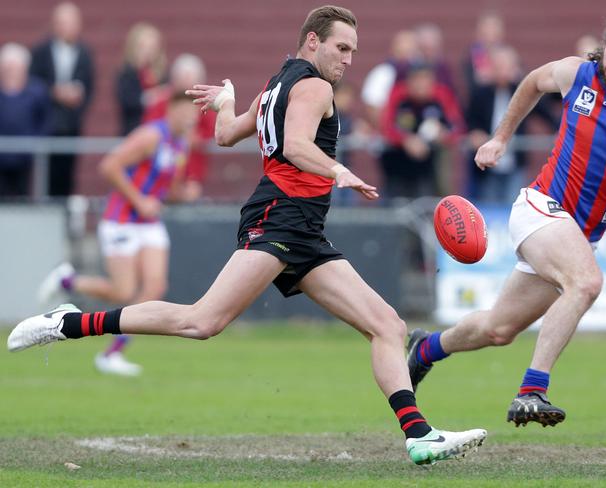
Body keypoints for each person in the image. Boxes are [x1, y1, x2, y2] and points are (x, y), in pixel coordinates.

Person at [8, 6, 486, 465]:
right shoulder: (315, 88)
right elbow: (298, 146)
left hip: (302, 228)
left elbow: (225, 135)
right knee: (201, 321)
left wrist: (226, 102)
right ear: (312, 41)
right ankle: (68, 324)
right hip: (280, 217)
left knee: (388, 325)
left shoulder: (275, 85)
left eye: (353, 51)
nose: (348, 59)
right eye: (341, 47)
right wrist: (339, 170)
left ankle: (419, 436)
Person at [407, 12, 606, 428]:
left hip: (579, 233)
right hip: (542, 207)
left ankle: (424, 349)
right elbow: (533, 81)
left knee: (498, 329)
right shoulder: (577, 73)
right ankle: (531, 391)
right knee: (586, 283)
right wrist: (500, 137)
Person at [37, 92, 199, 376]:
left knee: (154, 287)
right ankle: (67, 280)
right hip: (122, 219)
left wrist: (184, 194)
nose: (191, 117)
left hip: (149, 223)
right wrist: (139, 201)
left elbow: (168, 191)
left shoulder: (180, 145)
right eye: (185, 110)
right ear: (171, 109)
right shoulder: (151, 135)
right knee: (123, 291)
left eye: (194, 112)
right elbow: (110, 165)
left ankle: (113, 353)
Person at [465, 45, 557, 203]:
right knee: (488, 205)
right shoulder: (480, 93)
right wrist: (474, 133)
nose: (503, 72)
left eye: (507, 67)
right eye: (498, 67)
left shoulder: (523, 92)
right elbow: (469, 119)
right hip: (487, 165)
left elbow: (546, 114)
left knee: (512, 204)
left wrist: (558, 131)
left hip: (515, 161)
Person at [29, 1, 94, 197]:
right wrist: (54, 92)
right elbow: (34, 82)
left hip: (71, 124)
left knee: (67, 175)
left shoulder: (84, 52)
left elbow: (89, 86)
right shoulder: (41, 51)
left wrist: (76, 97)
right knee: (45, 174)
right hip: (46, 124)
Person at [380, 63, 464, 200]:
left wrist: (443, 134)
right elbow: (387, 126)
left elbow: (457, 126)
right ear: (408, 81)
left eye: (425, 79)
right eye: (416, 79)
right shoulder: (398, 94)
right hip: (398, 164)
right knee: (397, 200)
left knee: (432, 199)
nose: (421, 85)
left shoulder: (442, 95)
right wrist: (406, 140)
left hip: (431, 165)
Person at [143, 53, 216, 199]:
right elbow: (149, 129)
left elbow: (211, 134)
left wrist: (193, 139)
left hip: (192, 170)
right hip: (158, 169)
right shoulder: (161, 102)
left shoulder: (205, 104)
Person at [0, 43, 50, 197]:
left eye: (16, 67)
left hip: (25, 157)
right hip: (1, 156)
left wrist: (35, 142)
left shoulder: (36, 91)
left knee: (23, 196)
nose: (12, 72)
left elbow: (46, 120)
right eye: (8, 68)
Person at [115, 22, 167, 136]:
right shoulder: (126, 73)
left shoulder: (163, 74)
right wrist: (148, 98)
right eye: (143, 47)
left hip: (158, 133)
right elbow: (126, 101)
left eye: (152, 47)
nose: (148, 51)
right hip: (133, 131)